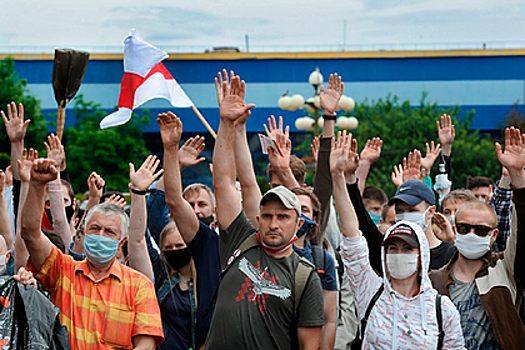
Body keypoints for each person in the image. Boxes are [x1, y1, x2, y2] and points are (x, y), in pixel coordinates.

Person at [206, 70, 324, 350]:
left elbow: (310, 345)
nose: (274, 223)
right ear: (258, 219)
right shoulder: (239, 240)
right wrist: (226, 124)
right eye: (268, 216)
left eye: (283, 217)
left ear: (299, 224)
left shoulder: (304, 276)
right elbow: (224, 183)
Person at [331, 131, 465, 349]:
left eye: (407, 248)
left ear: (422, 256)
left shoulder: (443, 310)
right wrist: (338, 176)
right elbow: (353, 234)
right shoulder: (370, 291)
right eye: (393, 248)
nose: (399, 254)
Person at [21, 158, 164, 349]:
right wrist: (37, 185)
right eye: (95, 229)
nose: (101, 235)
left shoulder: (139, 285)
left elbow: (146, 344)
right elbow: (30, 234)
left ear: (121, 241)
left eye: (109, 232)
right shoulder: (63, 271)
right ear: (84, 232)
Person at [432, 127, 525, 349]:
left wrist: (518, 179)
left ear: (493, 235)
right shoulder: (434, 280)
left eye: (481, 230)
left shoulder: (505, 269)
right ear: (456, 229)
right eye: (464, 228)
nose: (471, 234)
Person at [156, 111, 221, 350]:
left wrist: (232, 126)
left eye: (202, 204)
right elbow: (172, 199)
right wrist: (171, 150)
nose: (196, 211)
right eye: (190, 205)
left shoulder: (235, 242)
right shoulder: (205, 242)